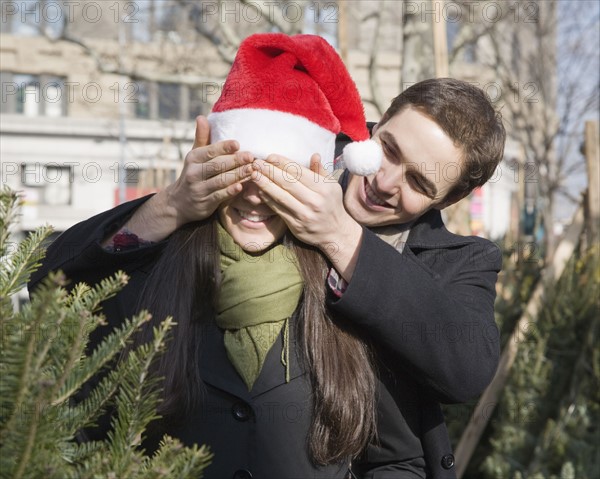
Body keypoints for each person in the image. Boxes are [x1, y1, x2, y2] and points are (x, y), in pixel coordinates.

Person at [30, 33, 428, 479]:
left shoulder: (349, 296)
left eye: (279, 175)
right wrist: (171, 204)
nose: (255, 197)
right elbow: (47, 284)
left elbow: (400, 461)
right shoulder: (149, 277)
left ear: (315, 177)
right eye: (240, 168)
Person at [174, 77, 506, 479]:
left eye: (418, 182)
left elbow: (467, 370)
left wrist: (340, 238)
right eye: (388, 149)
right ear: (377, 123)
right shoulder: (296, 146)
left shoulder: (459, 262)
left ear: (447, 199)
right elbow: (88, 258)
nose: (384, 183)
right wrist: (172, 204)